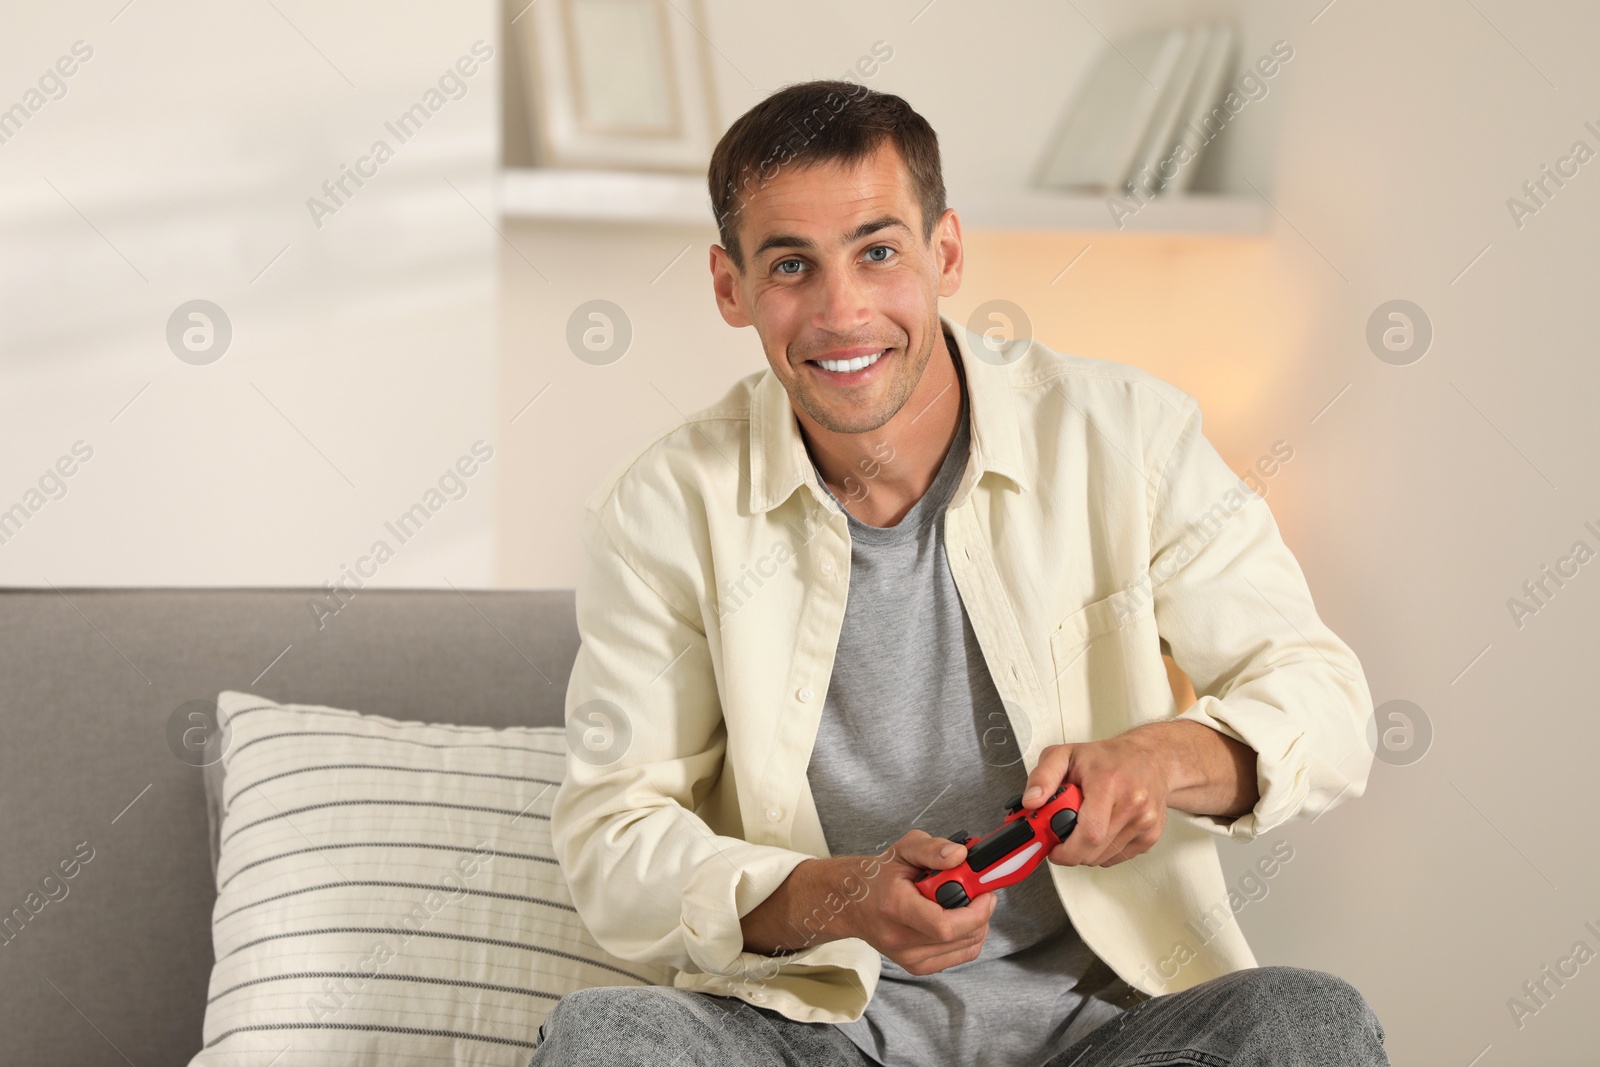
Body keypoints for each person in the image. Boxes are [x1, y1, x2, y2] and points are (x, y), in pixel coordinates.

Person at [530, 80, 1389, 1066]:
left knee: (1310, 1021)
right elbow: (611, 838)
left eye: (878, 252)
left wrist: (1156, 761)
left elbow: (1326, 704)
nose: (840, 311)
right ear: (731, 287)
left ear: (944, 252)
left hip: (1111, 1034)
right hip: (811, 1033)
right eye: (790, 265)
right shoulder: (660, 509)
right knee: (609, 1038)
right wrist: (838, 893)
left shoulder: (1129, 434)